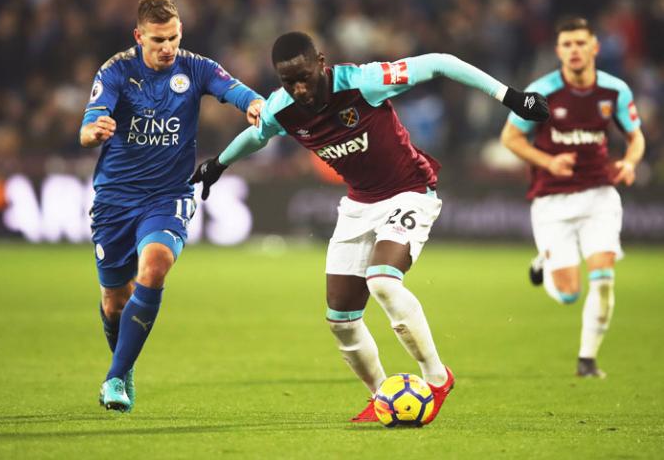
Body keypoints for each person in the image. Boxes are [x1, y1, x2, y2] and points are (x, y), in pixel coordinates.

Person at [190, 31, 549, 423]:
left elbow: (441, 62)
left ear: (321, 63)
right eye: (288, 81)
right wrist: (218, 164)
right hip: (359, 205)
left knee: (382, 281)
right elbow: (257, 136)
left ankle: (437, 376)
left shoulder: (364, 82)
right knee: (340, 321)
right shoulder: (282, 108)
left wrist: (511, 97)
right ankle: (382, 397)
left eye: (304, 77)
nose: (299, 88)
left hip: (410, 191)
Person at [80, 0, 264, 412]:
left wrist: (253, 103)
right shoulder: (116, 71)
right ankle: (123, 366)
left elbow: (233, 88)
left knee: (157, 261)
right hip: (115, 198)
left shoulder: (195, 67)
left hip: (168, 194)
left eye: (174, 38)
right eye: (158, 40)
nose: (167, 48)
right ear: (139, 36)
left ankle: (113, 378)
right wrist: (94, 132)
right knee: (114, 301)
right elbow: (89, 124)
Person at [500, 17, 645, 378]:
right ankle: (544, 263)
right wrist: (549, 161)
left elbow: (636, 137)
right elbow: (511, 138)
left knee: (604, 277)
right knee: (568, 294)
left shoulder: (614, 91)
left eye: (581, 43)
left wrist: (628, 163)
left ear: (595, 47)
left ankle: (587, 360)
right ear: (558, 51)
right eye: (567, 44)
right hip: (552, 199)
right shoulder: (542, 91)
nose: (574, 50)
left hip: (599, 194)